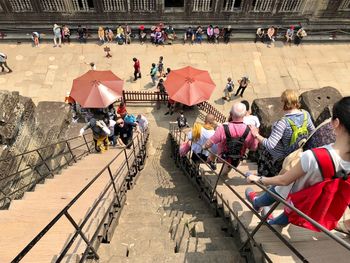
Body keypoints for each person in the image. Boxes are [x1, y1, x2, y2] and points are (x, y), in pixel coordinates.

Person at [245, 96, 350, 227]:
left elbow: (284, 180)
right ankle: (272, 223)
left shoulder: (313, 157)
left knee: (277, 192)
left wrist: (258, 178)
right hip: (312, 202)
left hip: (295, 193)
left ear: (336, 123)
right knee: (291, 213)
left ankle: (257, 203)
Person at [250, 89, 315, 177]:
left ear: (284, 103)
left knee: (271, 176)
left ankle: (262, 180)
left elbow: (270, 144)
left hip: (280, 157)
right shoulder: (305, 115)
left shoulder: (282, 123)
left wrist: (256, 135)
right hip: (298, 153)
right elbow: (312, 131)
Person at [204, 103, 258, 179]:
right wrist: (255, 136)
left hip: (223, 157)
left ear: (231, 114)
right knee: (229, 167)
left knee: (223, 170)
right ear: (245, 114)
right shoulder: (249, 130)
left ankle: (221, 175)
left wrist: (204, 146)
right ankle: (224, 173)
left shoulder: (223, 128)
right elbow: (254, 148)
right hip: (238, 157)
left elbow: (210, 143)